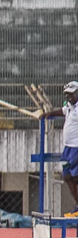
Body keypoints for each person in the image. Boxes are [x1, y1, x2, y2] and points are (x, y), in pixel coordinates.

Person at [41, 80, 78, 216]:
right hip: (67, 148)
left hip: (76, 147)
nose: (69, 97)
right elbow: (61, 111)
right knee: (66, 176)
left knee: (75, 177)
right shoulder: (69, 107)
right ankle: (77, 203)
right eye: (67, 95)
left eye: (72, 94)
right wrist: (48, 114)